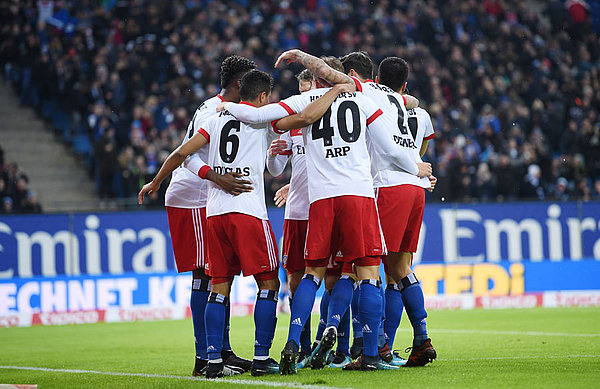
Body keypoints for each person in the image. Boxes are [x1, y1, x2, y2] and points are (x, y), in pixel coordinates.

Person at [220, 49, 432, 372]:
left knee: (312, 274)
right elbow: (392, 138)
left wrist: (224, 107)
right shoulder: (363, 98)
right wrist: (415, 166)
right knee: (367, 273)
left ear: (316, 79)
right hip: (359, 195)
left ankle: (294, 340)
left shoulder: (307, 102)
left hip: (320, 201)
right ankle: (371, 353)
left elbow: (258, 117)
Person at [140, 68, 352, 377]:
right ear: (264, 96)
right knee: (268, 283)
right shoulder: (264, 120)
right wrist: (335, 91)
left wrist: (155, 182)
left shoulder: (213, 120)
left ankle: (213, 362)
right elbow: (306, 118)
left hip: (214, 214)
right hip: (249, 212)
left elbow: (182, 154)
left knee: (218, 286)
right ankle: (262, 358)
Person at [155, 55, 257, 377]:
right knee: (206, 276)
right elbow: (185, 157)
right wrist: (219, 178)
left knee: (218, 275)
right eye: (250, 83)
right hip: (193, 198)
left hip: (206, 199)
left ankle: (222, 352)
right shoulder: (211, 110)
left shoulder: (227, 111)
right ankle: (205, 359)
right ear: (239, 84)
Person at [342, 54, 437, 367]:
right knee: (399, 270)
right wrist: (417, 167)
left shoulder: (368, 94)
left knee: (366, 266)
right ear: (404, 84)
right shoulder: (407, 104)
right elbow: (415, 115)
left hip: (387, 187)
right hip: (416, 188)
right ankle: (420, 339)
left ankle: (372, 346)